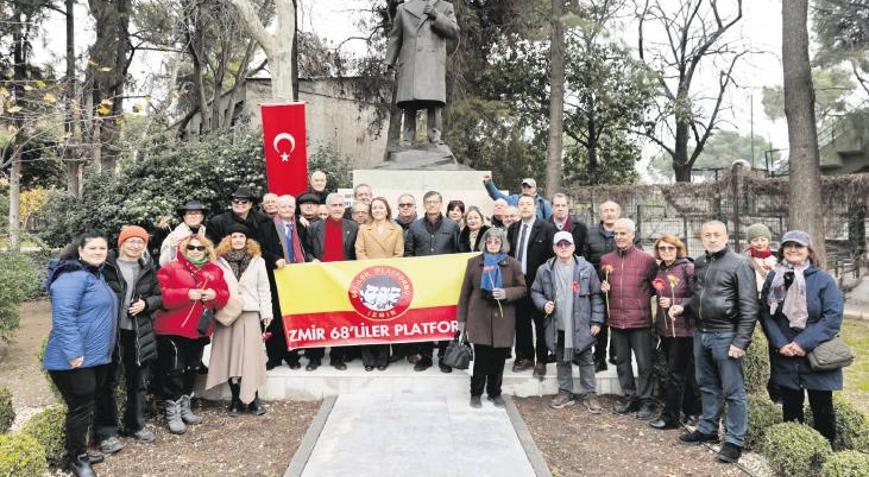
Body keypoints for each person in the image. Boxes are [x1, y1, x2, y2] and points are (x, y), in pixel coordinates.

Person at [670, 220, 757, 464]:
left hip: (726, 334)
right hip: (702, 333)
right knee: (706, 385)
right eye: (707, 235)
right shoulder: (700, 262)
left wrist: (740, 342)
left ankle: (734, 441)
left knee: (733, 391)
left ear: (726, 236)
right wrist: (684, 307)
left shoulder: (740, 264)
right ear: (702, 238)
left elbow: (750, 307)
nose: (711, 238)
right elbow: (699, 297)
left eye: (716, 234)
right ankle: (707, 428)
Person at [759, 230, 844, 445]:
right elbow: (766, 313)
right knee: (791, 408)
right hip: (785, 352)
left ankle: (825, 450)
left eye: (798, 246)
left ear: (808, 251)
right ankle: (796, 449)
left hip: (815, 351)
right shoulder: (775, 278)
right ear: (782, 250)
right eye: (788, 246)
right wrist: (780, 343)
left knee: (822, 407)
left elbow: (832, 317)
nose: (793, 250)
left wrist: (801, 343)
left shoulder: (823, 280)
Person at [44, 231, 117, 477]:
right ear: (80, 251)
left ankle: (79, 452)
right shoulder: (72, 277)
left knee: (85, 406)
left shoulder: (94, 276)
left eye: (102, 248)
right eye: (93, 248)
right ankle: (76, 459)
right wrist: (74, 353)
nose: (98, 252)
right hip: (73, 359)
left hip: (95, 356)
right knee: (80, 407)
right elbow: (64, 317)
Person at [96, 226, 162, 456]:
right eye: (131, 241)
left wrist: (146, 304)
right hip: (112, 333)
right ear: (121, 242)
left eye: (140, 242)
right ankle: (107, 433)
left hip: (138, 332)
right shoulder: (106, 265)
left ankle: (135, 425)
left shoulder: (147, 267)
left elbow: (158, 296)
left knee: (138, 382)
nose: (135, 246)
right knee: (108, 383)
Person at [154, 235, 229, 434]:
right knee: (174, 370)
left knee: (192, 368)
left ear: (207, 250)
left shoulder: (214, 270)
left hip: (199, 328)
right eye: (191, 248)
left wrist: (214, 295)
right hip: (172, 328)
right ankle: (173, 411)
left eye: (200, 248)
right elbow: (160, 296)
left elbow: (224, 295)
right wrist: (186, 294)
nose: (195, 251)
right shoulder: (171, 267)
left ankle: (186, 406)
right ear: (184, 250)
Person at [531, 231, 605, 413]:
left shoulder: (586, 268)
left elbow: (596, 295)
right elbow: (535, 292)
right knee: (562, 359)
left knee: (586, 359)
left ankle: (590, 394)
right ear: (554, 248)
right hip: (558, 324)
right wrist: (543, 304)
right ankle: (565, 392)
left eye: (567, 244)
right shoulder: (544, 269)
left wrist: (596, 320)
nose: (563, 248)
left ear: (573, 246)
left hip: (581, 324)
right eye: (559, 245)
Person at [457, 228, 526, 408]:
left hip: (503, 320)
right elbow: (465, 293)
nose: (493, 244)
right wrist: (461, 320)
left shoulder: (513, 264)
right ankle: (476, 393)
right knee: (481, 359)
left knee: (498, 360)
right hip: (479, 317)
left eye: (497, 241)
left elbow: (522, 289)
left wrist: (506, 292)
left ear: (503, 243)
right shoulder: (473, 263)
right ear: (484, 243)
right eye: (490, 241)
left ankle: (495, 393)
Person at [209, 224, 271, 416]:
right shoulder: (218, 261)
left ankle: (253, 399)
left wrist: (267, 312)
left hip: (250, 313)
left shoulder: (257, 261)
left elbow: (264, 288)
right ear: (228, 239)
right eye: (234, 236)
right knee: (230, 357)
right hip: (227, 314)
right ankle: (235, 399)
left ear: (247, 240)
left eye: (241, 237)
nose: (238, 240)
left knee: (250, 358)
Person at [599, 218, 657, 419]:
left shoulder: (647, 260)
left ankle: (647, 402)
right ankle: (629, 398)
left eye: (623, 233)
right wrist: (603, 289)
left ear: (633, 235)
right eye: (616, 233)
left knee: (644, 364)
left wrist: (640, 302)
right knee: (622, 362)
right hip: (616, 320)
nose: (619, 237)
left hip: (640, 321)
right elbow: (603, 287)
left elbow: (655, 288)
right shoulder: (606, 260)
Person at [386, 0, 459, 146]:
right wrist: (389, 61)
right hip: (410, 62)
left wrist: (436, 15)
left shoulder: (444, 6)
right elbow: (395, 37)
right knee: (409, 102)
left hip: (432, 62)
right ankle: (407, 138)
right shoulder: (403, 8)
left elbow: (454, 31)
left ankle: (435, 136)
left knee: (433, 102)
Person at [647, 235, 700, 430]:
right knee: (682, 372)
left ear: (678, 249)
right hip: (665, 329)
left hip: (683, 329)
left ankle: (671, 417)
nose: (666, 251)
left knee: (675, 374)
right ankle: (692, 411)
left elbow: (696, 297)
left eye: (670, 248)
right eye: (662, 248)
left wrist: (676, 304)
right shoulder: (660, 269)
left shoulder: (687, 268)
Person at [404, 190, 461, 372]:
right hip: (422, 282)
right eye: (428, 202)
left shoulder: (452, 226)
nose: (432, 205)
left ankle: (444, 357)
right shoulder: (415, 226)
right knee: (424, 318)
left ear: (441, 204)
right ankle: (426, 356)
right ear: (424, 205)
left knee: (445, 319)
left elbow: (458, 253)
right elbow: (408, 252)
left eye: (435, 202)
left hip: (445, 283)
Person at [306, 193, 359, 370]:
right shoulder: (314, 228)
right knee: (318, 318)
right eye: (334, 205)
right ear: (327, 208)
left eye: (341, 205)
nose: (337, 208)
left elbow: (356, 254)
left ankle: (337, 357)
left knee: (341, 319)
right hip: (320, 280)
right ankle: (315, 357)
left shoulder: (353, 227)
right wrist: (312, 259)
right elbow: (306, 250)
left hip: (343, 281)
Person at [506, 194, 556, 377]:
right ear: (518, 207)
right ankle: (525, 357)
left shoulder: (546, 229)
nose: (525, 207)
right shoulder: (513, 228)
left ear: (535, 207)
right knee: (521, 323)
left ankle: (541, 360)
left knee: (541, 323)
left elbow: (552, 257)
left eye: (528, 204)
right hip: (518, 283)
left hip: (539, 284)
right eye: (522, 204)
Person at [355, 197, 404, 371]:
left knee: (384, 318)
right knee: (367, 318)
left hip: (388, 279)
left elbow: (399, 253)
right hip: (368, 278)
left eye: (380, 207)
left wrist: (385, 269)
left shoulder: (396, 229)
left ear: (387, 210)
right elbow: (359, 251)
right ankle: (368, 359)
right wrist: (371, 267)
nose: (377, 210)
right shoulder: (363, 229)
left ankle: (383, 358)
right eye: (374, 207)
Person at [586, 200, 636, 371]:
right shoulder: (591, 233)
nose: (609, 213)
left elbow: (636, 256)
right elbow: (585, 260)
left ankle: (615, 354)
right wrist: (594, 282)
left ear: (618, 213)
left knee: (617, 321)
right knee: (599, 321)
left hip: (621, 286)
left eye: (612, 210)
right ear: (600, 214)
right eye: (605, 210)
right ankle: (599, 357)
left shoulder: (626, 233)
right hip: (597, 285)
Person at [261, 195, 308, 370]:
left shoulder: (301, 226)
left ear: (295, 207)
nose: (287, 209)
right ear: (277, 208)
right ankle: (273, 357)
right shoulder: (267, 226)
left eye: (290, 206)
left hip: (296, 279)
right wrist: (275, 258)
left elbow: (307, 248)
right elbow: (260, 249)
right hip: (275, 277)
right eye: (284, 206)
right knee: (274, 318)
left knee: (293, 318)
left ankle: (292, 357)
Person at [745, 222, 780, 402]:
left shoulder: (775, 261)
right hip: (750, 302)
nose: (759, 243)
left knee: (773, 343)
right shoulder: (745, 260)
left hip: (768, 304)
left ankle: (775, 389)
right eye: (755, 240)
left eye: (763, 239)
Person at [482, 172, 552, 220]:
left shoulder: (543, 203)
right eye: (524, 186)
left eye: (529, 187)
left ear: (535, 189)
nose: (526, 189)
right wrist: (489, 183)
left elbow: (550, 222)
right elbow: (498, 196)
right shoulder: (515, 199)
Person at [159, 199, 208, 267]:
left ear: (202, 217)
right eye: (189, 213)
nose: (193, 216)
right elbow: (163, 263)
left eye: (196, 213)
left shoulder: (208, 234)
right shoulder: (174, 236)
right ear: (184, 217)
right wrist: (172, 248)